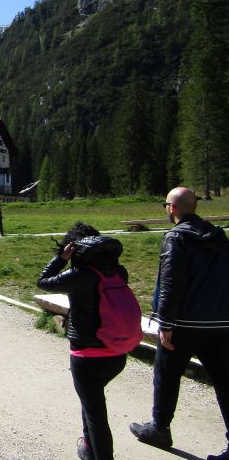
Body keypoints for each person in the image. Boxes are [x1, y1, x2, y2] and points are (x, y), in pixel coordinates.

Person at [129, 187, 229, 460]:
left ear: (172, 208)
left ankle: (159, 429)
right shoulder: (219, 236)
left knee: (166, 375)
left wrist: (166, 323)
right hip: (220, 322)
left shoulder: (176, 238)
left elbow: (171, 283)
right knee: (224, 380)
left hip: (183, 324)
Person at [37, 222, 131, 460]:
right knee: (91, 403)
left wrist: (61, 258)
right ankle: (88, 447)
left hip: (87, 356)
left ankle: (98, 453)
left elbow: (43, 281)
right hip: (117, 353)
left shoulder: (78, 275)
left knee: (95, 414)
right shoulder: (119, 272)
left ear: (75, 247)